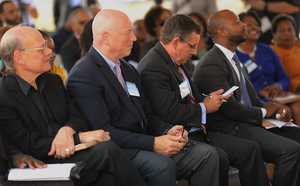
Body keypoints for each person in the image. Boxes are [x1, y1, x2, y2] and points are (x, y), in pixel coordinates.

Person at [67, 9, 220, 186]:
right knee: (162, 166)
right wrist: (154, 143)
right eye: (128, 33)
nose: (134, 38)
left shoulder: (128, 69)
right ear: (106, 37)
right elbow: (104, 132)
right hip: (120, 151)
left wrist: (168, 130)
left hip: (145, 142)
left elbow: (146, 114)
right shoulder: (84, 74)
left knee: (208, 155)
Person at [0, 25, 147, 186]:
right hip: (38, 163)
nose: (50, 52)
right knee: (106, 152)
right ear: (19, 57)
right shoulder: (4, 94)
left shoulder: (52, 81)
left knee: (107, 172)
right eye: (41, 49)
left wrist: (67, 130)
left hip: (70, 152)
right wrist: (78, 138)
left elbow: (76, 115)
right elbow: (26, 143)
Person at [193, 9, 300, 186]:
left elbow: (252, 99)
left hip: (248, 121)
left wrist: (275, 111)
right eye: (237, 22)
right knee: (291, 151)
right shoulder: (211, 63)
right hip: (231, 128)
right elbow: (231, 109)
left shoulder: (233, 58)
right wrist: (264, 112)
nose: (243, 25)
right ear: (222, 31)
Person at [138, 14, 230, 186]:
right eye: (192, 46)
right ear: (176, 41)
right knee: (213, 156)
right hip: (170, 133)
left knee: (223, 156)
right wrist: (205, 107)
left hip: (191, 127)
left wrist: (208, 99)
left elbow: (188, 96)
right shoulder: (154, 67)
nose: (195, 52)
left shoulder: (175, 60)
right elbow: (168, 111)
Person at [236, 11, 300, 126]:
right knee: (286, 112)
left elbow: (284, 78)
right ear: (238, 29)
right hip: (257, 102)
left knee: (298, 107)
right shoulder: (234, 55)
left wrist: (278, 86)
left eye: (257, 24)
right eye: (249, 25)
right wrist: (261, 92)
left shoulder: (267, 50)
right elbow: (238, 88)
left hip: (280, 97)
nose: (254, 27)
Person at [271, 14, 300, 93]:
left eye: (290, 29)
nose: (287, 34)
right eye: (282, 31)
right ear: (274, 35)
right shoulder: (271, 51)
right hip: (295, 88)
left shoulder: (297, 45)